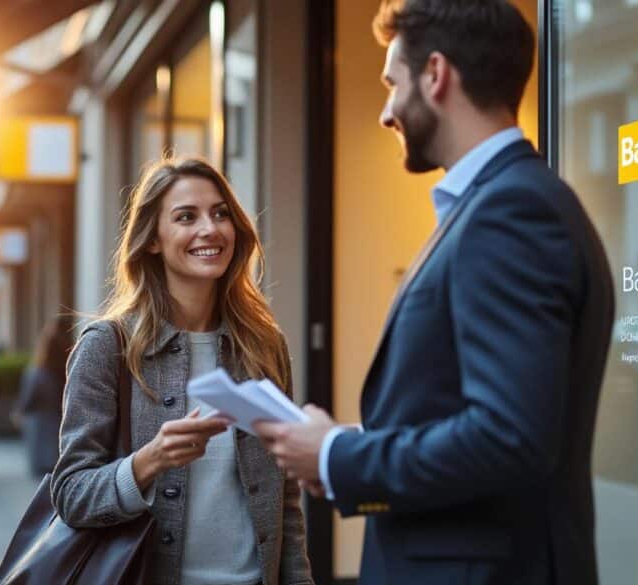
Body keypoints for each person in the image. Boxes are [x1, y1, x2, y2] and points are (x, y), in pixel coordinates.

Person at [254, 2, 615, 584]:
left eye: (392, 84)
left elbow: (508, 439)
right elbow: (474, 417)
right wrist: (341, 445)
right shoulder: (502, 204)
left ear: (436, 74)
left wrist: (335, 456)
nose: (386, 113)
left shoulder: (510, 212)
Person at [52, 157, 313, 585]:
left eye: (220, 214)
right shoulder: (108, 346)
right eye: (186, 217)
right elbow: (70, 493)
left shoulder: (263, 345)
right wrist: (148, 462)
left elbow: (284, 496)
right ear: (153, 239)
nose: (209, 229)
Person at [13, 316, 71, 478]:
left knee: (42, 471)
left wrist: (19, 412)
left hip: (40, 424)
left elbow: (29, 397)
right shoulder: (71, 370)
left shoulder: (38, 373)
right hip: (63, 422)